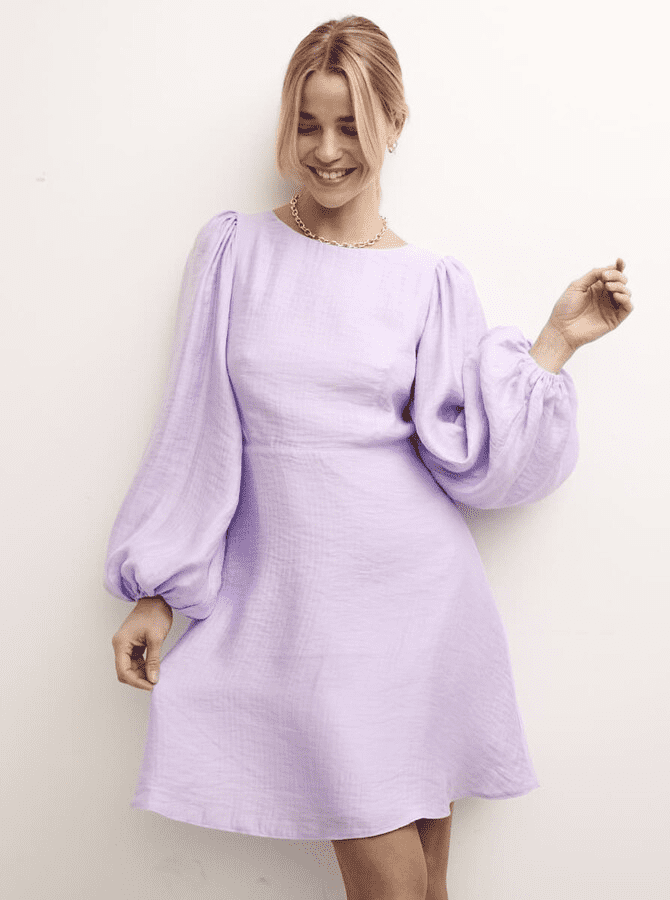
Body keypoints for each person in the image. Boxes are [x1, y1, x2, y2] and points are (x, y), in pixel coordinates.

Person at [105, 15, 633, 900]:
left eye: (350, 125)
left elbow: (471, 454)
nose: (325, 150)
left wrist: (555, 343)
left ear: (395, 123)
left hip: (416, 602)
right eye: (308, 124)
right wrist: (156, 588)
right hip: (303, 610)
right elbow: (195, 429)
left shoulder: (430, 280)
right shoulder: (235, 250)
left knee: (421, 890)